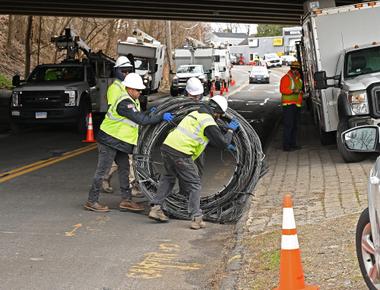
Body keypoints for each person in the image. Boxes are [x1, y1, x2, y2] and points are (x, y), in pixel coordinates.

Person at [84, 73, 174, 212]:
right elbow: (141, 120)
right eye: (138, 90)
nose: (140, 93)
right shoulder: (124, 103)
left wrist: (150, 111)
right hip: (109, 140)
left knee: (124, 169)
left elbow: (139, 115)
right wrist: (160, 117)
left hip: (120, 142)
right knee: (102, 171)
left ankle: (126, 200)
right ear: (130, 89)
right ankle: (92, 201)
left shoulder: (132, 101)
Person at [148, 95, 240, 229]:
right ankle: (196, 217)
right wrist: (230, 131)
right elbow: (222, 143)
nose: (218, 118)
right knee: (194, 184)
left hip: (168, 147)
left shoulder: (194, 113)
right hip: (181, 153)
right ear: (216, 112)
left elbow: (204, 137)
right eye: (219, 115)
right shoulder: (208, 121)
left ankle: (156, 208)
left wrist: (223, 138)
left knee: (168, 177)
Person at [102, 56, 137, 194]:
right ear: (116, 71)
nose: (126, 74)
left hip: (129, 131)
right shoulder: (115, 88)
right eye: (123, 71)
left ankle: (105, 177)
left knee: (125, 160)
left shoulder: (127, 87)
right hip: (119, 131)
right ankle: (131, 186)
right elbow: (117, 110)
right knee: (128, 160)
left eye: (129, 71)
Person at [280, 61, 303, 152]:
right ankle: (286, 146)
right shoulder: (286, 78)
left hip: (296, 105)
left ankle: (293, 144)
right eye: (294, 69)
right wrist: (293, 91)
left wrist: (302, 94)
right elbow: (282, 90)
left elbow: (299, 91)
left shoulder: (299, 80)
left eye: (297, 69)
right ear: (291, 69)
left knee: (294, 126)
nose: (295, 71)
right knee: (289, 125)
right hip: (288, 105)